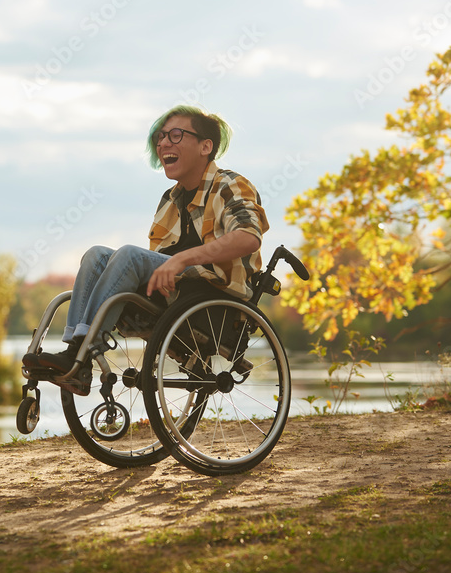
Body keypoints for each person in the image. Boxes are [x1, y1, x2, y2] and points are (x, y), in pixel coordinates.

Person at [22, 104, 269, 373]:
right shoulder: (169, 200)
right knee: (95, 255)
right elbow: (157, 260)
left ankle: (82, 352)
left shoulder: (229, 185)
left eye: (175, 135)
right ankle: (75, 351)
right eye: (160, 137)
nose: (163, 143)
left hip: (214, 293)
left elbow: (248, 237)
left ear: (205, 146)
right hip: (177, 291)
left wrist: (182, 259)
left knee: (129, 254)